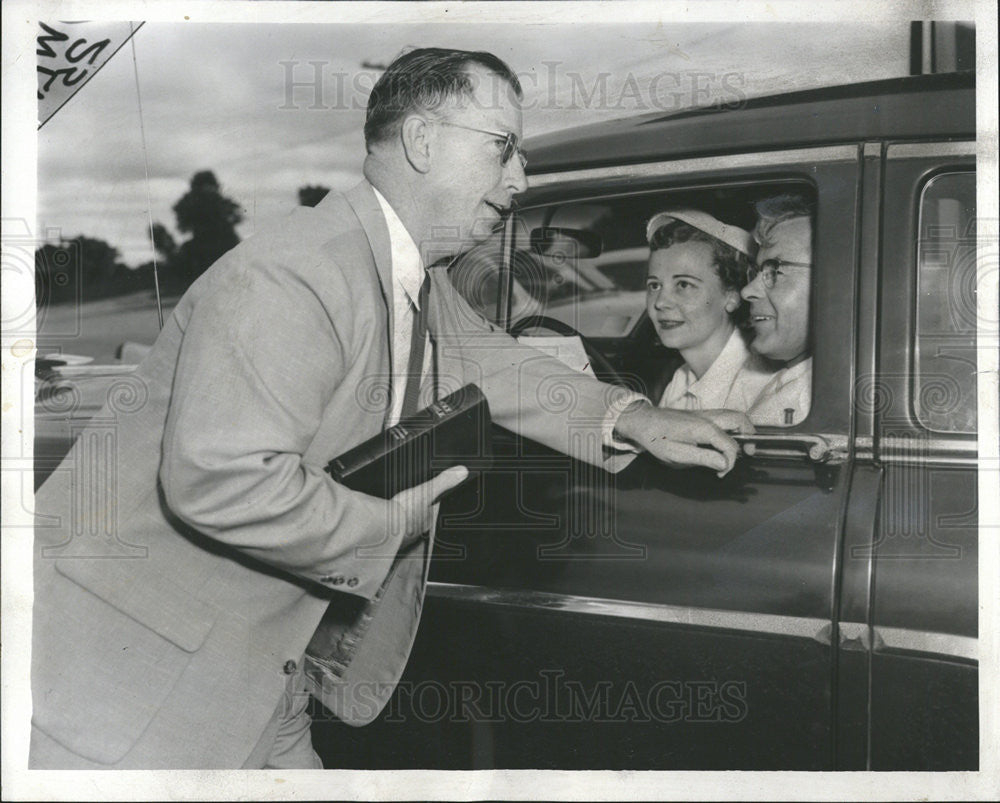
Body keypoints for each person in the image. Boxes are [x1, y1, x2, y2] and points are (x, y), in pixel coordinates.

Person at [29, 48, 747, 770]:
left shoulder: (403, 273)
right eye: (502, 149)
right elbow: (221, 481)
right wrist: (389, 526)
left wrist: (633, 417)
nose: (520, 179)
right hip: (128, 699)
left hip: (255, 675)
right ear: (423, 141)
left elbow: (488, 359)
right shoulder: (297, 272)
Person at [644, 208, 775, 411]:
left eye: (683, 285)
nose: (661, 302)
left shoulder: (761, 387)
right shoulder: (681, 380)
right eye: (654, 285)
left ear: (732, 296)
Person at [735, 192, 814, 426]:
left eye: (774, 271)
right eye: (757, 272)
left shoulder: (803, 400)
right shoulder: (793, 380)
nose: (747, 290)